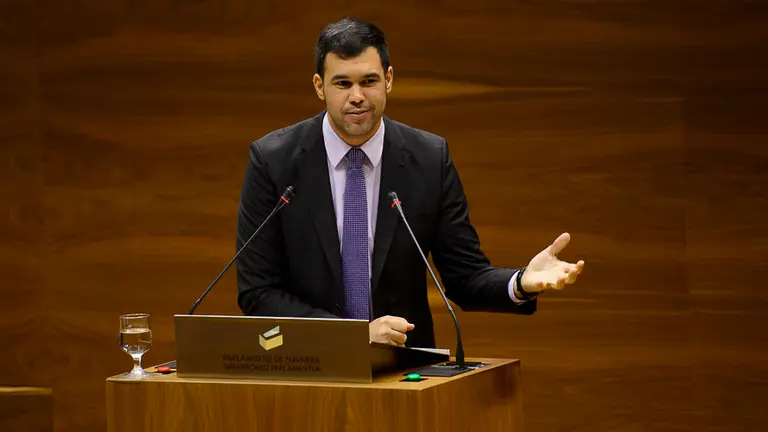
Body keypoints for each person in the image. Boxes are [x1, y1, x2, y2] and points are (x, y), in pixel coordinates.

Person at [235, 17, 585, 349]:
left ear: (388, 79)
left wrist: (520, 283)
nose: (357, 95)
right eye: (343, 83)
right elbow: (258, 291)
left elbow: (464, 277)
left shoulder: (429, 159)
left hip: (403, 374)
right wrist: (352, 337)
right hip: (307, 370)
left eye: (369, 81)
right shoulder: (274, 161)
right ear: (319, 86)